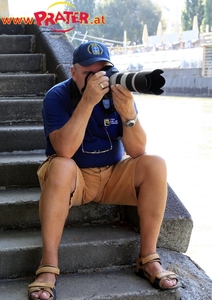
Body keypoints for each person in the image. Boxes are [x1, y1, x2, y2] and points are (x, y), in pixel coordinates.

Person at [28, 41, 179, 300]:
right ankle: (48, 267)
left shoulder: (118, 95)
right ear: (73, 72)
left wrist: (128, 113)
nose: (99, 79)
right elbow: (64, 149)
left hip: (113, 176)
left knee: (155, 162)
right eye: (89, 73)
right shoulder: (57, 96)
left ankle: (148, 258)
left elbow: (138, 150)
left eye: (103, 71)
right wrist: (87, 103)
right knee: (61, 165)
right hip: (73, 180)